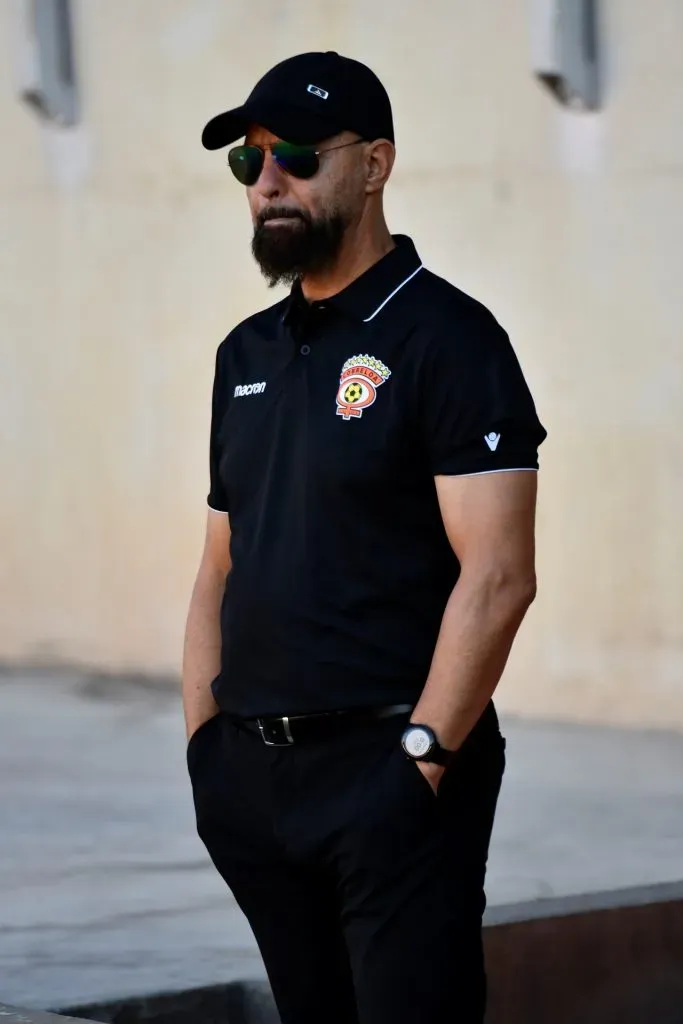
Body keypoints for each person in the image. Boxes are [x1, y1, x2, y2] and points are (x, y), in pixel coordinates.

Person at [183, 50, 546, 1024]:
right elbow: (219, 566)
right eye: (249, 162)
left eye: (296, 155)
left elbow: (499, 576)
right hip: (253, 784)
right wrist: (205, 753)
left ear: (374, 164)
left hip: (391, 771)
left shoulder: (449, 338)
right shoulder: (243, 355)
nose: (268, 183)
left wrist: (419, 762)